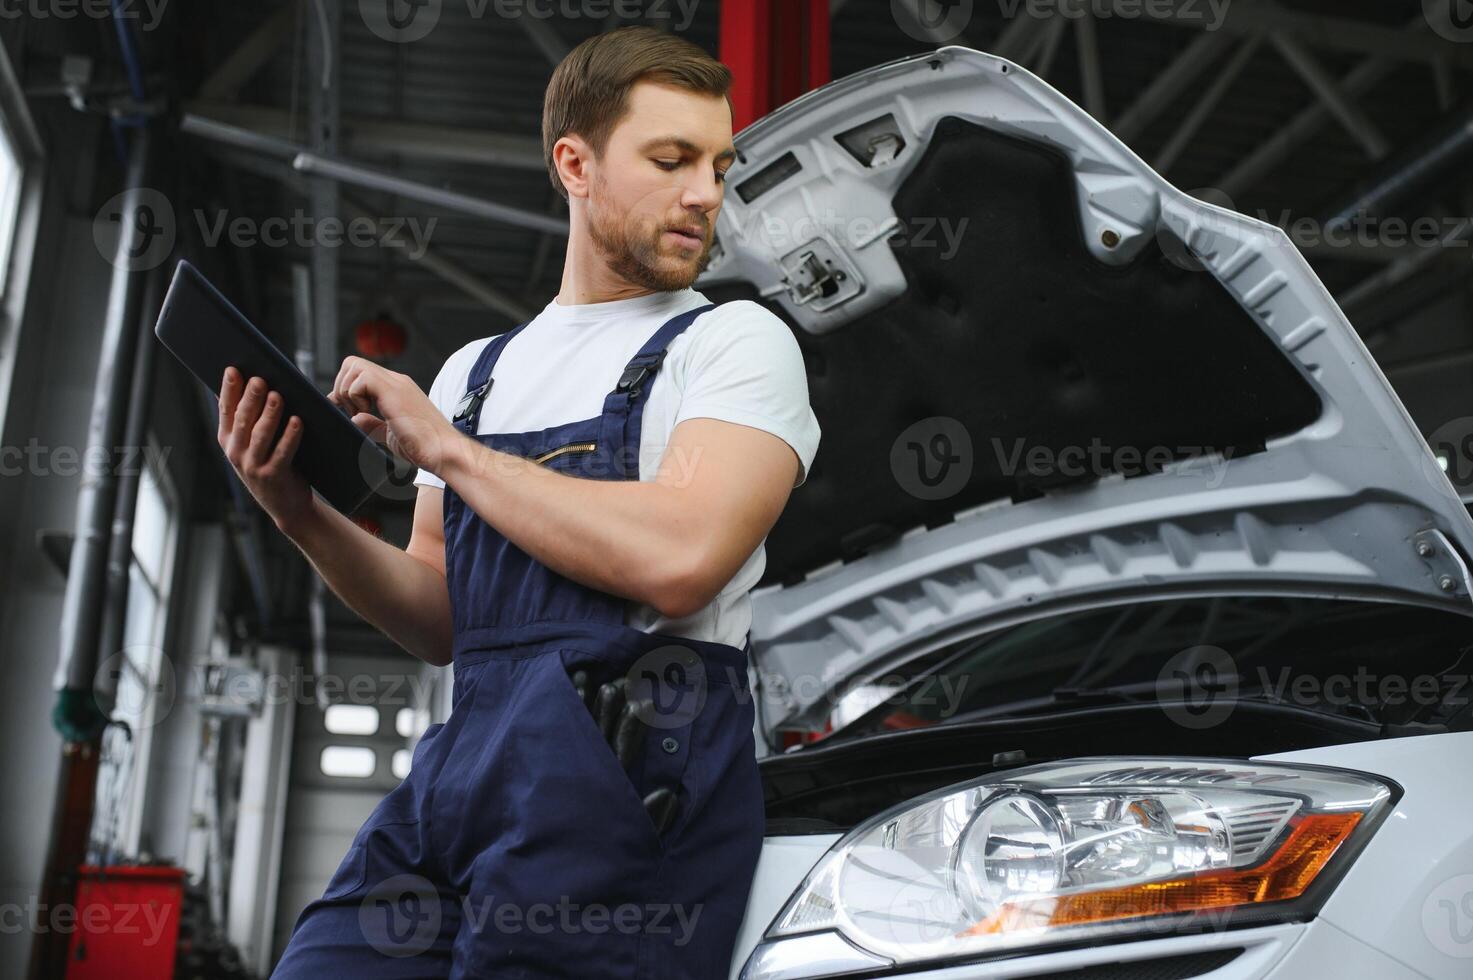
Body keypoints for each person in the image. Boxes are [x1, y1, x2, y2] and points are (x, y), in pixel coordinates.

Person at [216, 24, 821, 979]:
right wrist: (297, 511)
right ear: (574, 164)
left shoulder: (734, 344)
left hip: (629, 778)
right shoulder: (476, 374)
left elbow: (681, 561)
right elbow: (438, 617)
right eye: (670, 160)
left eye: (717, 163)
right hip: (467, 762)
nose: (705, 192)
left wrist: (449, 452)